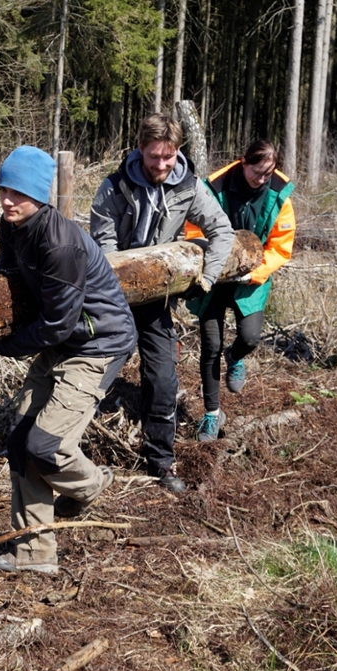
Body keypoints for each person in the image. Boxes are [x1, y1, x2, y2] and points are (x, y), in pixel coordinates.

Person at [0, 146, 138, 575]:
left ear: (40, 195)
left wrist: (7, 344)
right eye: (3, 189)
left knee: (45, 444)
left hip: (98, 345)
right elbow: (6, 277)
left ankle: (90, 485)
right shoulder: (11, 226)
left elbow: (56, 324)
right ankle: (34, 553)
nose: (7, 200)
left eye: (18, 192)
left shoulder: (60, 242)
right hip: (64, 339)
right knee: (20, 439)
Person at [89, 114, 234, 493]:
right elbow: (104, 246)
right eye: (154, 157)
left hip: (158, 299)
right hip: (114, 298)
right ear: (140, 150)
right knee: (94, 375)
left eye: (168, 157)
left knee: (163, 379)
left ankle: (161, 460)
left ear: (177, 153)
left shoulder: (188, 186)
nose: (161, 166)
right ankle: (67, 455)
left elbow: (222, 230)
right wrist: (117, 290)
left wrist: (208, 276)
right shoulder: (114, 188)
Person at [188, 140, 295, 441]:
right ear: (243, 162)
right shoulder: (215, 187)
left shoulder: (279, 194)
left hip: (252, 277)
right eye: (256, 172)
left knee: (250, 337)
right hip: (213, 278)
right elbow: (194, 231)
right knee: (210, 345)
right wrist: (211, 265)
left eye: (268, 173)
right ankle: (211, 414)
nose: (261, 179)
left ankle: (234, 357)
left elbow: (280, 247)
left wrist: (255, 272)